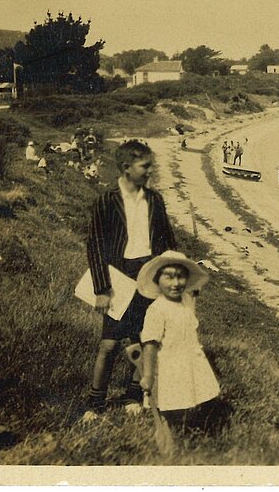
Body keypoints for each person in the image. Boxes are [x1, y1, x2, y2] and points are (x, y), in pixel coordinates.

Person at [83, 139, 178, 421]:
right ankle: (95, 403)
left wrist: (173, 276)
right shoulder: (106, 200)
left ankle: (134, 395)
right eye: (145, 166)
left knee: (145, 338)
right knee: (109, 344)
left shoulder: (154, 200)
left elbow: (167, 241)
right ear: (127, 168)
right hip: (119, 277)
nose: (150, 171)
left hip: (149, 274)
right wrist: (102, 289)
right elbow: (95, 245)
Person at [138, 251, 220, 432]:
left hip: (189, 358)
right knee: (170, 402)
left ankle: (191, 428)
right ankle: (167, 430)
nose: (175, 284)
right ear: (157, 280)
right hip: (169, 364)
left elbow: (192, 296)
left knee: (193, 396)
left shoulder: (185, 300)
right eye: (168, 277)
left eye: (181, 277)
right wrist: (148, 375)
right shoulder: (157, 309)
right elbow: (150, 344)